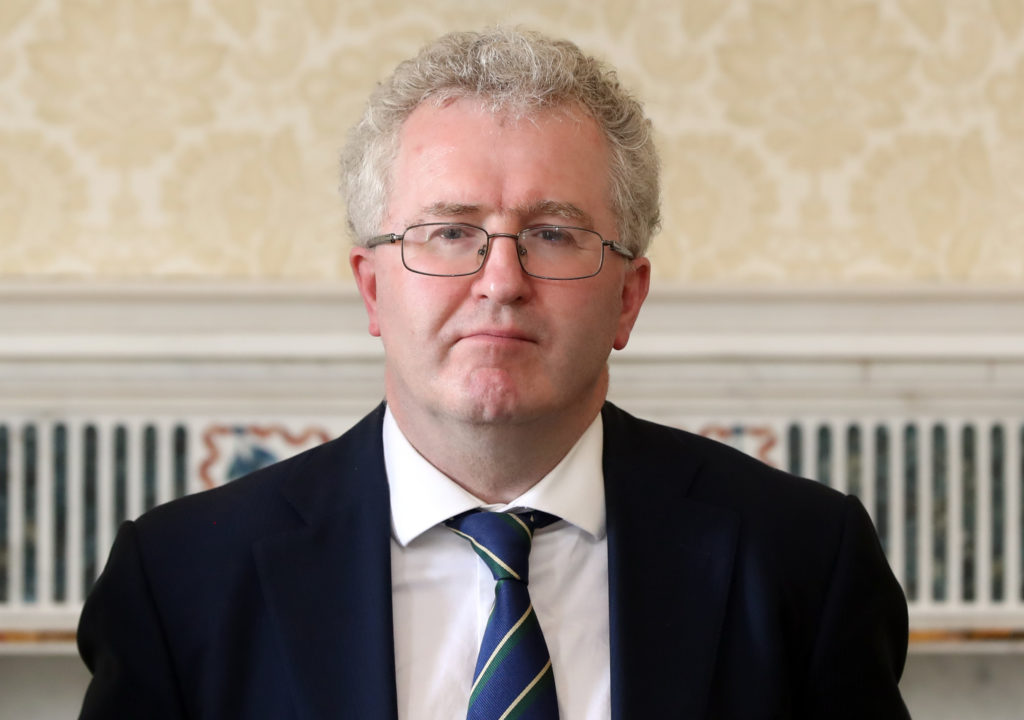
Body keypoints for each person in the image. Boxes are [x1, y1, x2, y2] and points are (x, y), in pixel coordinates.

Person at [77, 28, 910, 719]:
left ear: (628, 297)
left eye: (553, 234)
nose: (501, 282)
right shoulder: (180, 579)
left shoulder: (803, 559)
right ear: (373, 289)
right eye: (449, 232)